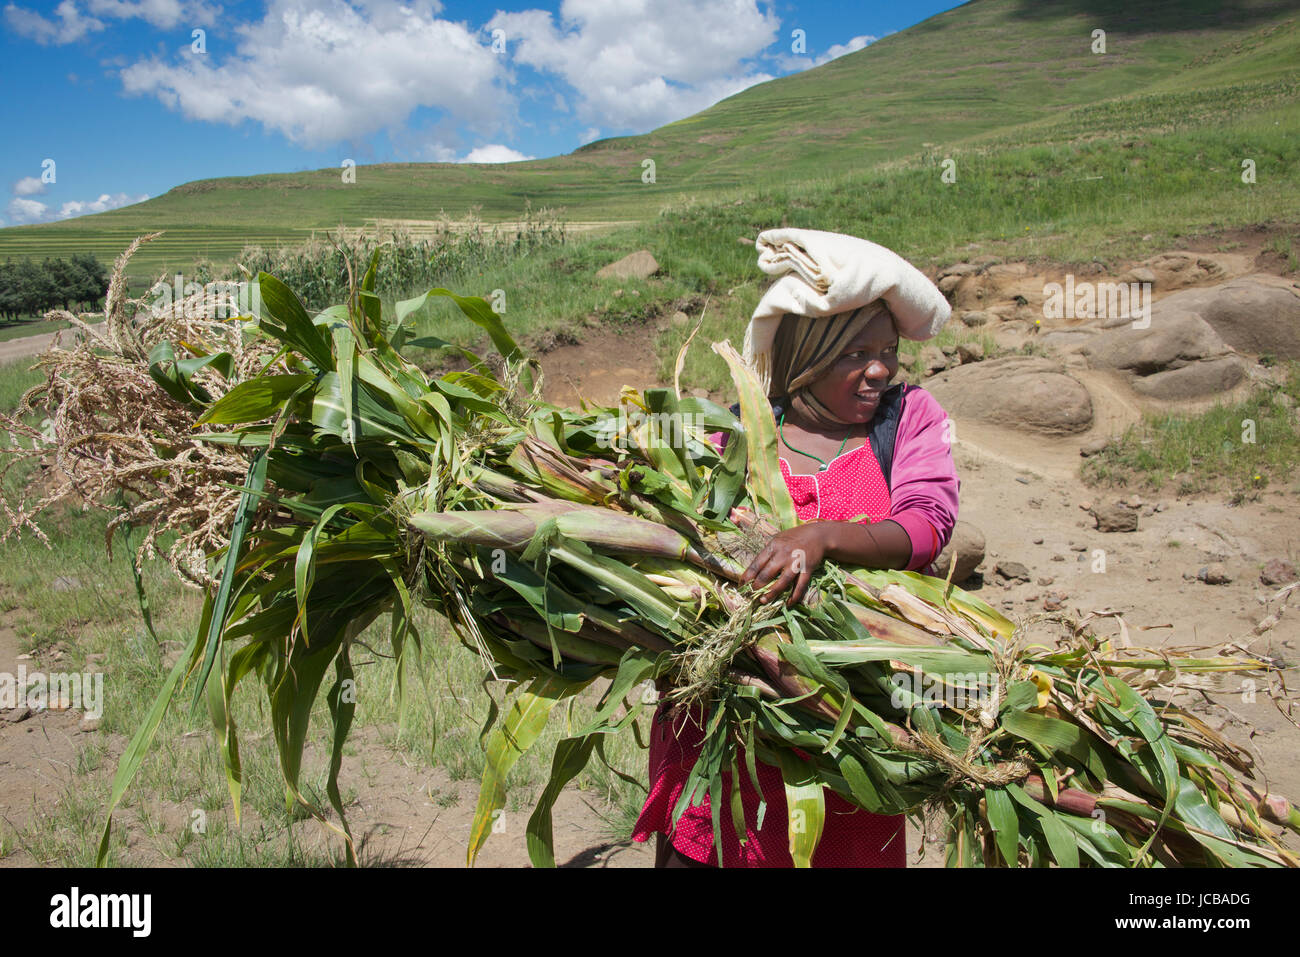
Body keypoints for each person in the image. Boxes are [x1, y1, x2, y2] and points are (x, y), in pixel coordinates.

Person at [631, 228, 961, 867]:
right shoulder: (745, 429)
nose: (879, 370)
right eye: (854, 353)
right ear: (809, 353)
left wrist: (824, 537)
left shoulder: (909, 418)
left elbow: (927, 526)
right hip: (724, 733)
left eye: (888, 352)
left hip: (844, 735)